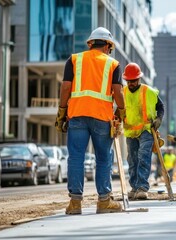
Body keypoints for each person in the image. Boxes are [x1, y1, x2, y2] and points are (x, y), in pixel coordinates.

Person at [55, 27, 125, 215]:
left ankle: (75, 203)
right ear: (108, 46)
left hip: (77, 115)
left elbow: (65, 88)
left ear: (90, 43)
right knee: (103, 159)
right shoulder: (113, 64)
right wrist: (122, 112)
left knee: (76, 157)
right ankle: (103, 202)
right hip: (102, 117)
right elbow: (118, 91)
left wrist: (62, 112)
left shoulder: (74, 60)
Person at [121, 62, 164, 200]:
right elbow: (119, 110)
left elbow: (161, 107)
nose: (131, 83)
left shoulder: (149, 92)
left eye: (133, 81)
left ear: (139, 79)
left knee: (143, 156)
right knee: (132, 160)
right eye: (129, 81)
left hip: (146, 129)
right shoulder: (123, 92)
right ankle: (134, 187)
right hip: (130, 131)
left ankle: (143, 187)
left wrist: (159, 119)